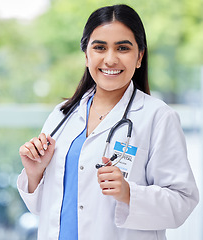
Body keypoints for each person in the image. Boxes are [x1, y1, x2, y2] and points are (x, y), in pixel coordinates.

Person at [17, 4, 199, 240]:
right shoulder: (62, 115)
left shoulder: (158, 117)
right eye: (100, 48)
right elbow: (45, 208)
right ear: (86, 55)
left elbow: (182, 201)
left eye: (123, 48)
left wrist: (128, 193)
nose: (110, 59)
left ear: (139, 56)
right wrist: (35, 174)